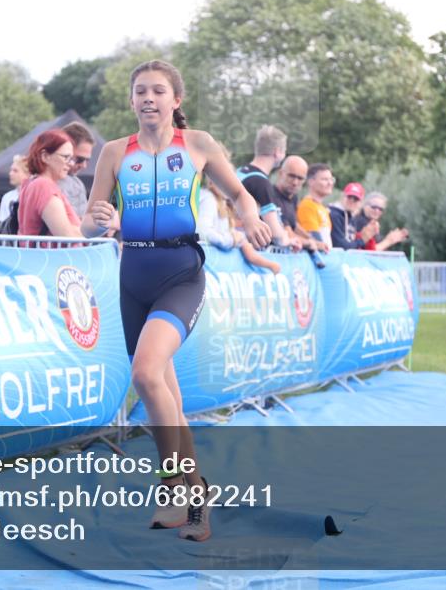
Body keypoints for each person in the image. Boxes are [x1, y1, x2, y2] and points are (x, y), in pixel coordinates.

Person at [80, 60, 270, 542]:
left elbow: (240, 194)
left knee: (145, 374)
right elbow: (88, 222)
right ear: (131, 101)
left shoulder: (199, 144)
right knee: (168, 398)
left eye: (158, 91)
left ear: (174, 100)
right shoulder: (113, 153)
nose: (148, 97)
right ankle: (193, 488)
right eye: (140, 91)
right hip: (131, 276)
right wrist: (97, 218)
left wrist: (249, 218)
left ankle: (176, 487)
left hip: (181, 272)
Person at [198, 171, 281, 274]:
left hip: (218, 256)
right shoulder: (208, 199)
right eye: (224, 182)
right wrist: (232, 239)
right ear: (212, 181)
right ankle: (270, 265)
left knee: (245, 243)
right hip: (206, 261)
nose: (228, 186)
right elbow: (203, 232)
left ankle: (269, 265)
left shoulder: (223, 203)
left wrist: (235, 237)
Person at [17, 129, 84, 246]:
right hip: (53, 261)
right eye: (65, 157)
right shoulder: (43, 186)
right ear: (45, 156)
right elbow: (66, 236)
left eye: (71, 158)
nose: (71, 163)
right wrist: (94, 231)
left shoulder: (33, 183)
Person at [236, 125, 290, 246]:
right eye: (284, 151)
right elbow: (276, 234)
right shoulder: (261, 183)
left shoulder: (238, 172)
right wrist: (287, 239)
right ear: (277, 152)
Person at [58, 122, 96, 218]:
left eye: (87, 160)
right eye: (79, 159)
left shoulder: (77, 183)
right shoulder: (42, 183)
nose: (84, 165)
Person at [297, 164, 335, 250]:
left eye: (331, 179)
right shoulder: (307, 206)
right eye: (325, 179)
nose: (330, 183)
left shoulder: (322, 208)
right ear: (311, 182)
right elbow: (314, 237)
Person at [330, 183, 374, 250]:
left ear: (361, 202)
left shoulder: (350, 216)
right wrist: (362, 240)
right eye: (349, 197)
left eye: (356, 199)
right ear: (342, 196)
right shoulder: (334, 215)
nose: (352, 200)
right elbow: (340, 246)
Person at [0, 155, 30, 225]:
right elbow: (3, 226)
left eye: (15, 171)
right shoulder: (7, 197)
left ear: (27, 174)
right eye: (11, 170)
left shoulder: (33, 196)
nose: (10, 173)